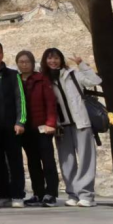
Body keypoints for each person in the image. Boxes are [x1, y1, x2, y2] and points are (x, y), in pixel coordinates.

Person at [41, 48, 101, 208]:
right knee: (66, 161)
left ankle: (86, 195)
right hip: (61, 126)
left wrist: (82, 65)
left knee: (86, 159)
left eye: (56, 58)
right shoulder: (45, 80)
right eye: (49, 59)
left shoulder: (73, 74)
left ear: (61, 60)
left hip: (81, 123)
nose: (53, 61)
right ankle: (73, 194)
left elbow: (95, 81)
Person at [0, 40, 27, 208]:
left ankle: (17, 195)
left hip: (11, 126)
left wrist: (20, 121)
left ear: (2, 54)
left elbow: (20, 99)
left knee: (15, 161)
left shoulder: (13, 75)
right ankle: (3, 194)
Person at [16, 50, 59, 207]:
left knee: (47, 161)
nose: (24, 64)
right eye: (21, 62)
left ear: (33, 63)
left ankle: (51, 193)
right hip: (26, 128)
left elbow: (50, 102)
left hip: (42, 127)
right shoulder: (16, 80)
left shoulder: (41, 79)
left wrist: (51, 123)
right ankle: (38, 193)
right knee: (32, 162)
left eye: (27, 61)